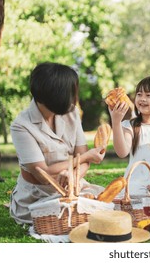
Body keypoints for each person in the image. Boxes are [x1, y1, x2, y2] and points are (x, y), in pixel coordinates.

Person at [9, 62, 106, 224]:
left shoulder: (72, 112)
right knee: (66, 217)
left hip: (74, 188)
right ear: (56, 94)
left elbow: (85, 160)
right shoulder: (21, 126)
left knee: (107, 204)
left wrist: (74, 177)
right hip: (37, 194)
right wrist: (83, 158)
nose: (73, 98)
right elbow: (44, 174)